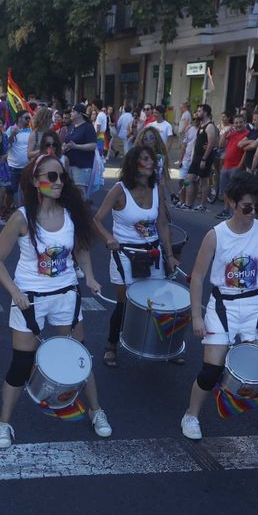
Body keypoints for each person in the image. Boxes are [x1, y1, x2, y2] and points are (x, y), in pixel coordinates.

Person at [0, 153, 111, 447]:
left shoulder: (72, 213)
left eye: (62, 177)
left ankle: (97, 411)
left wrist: (91, 277)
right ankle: (4, 423)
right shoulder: (21, 218)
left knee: (79, 355)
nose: (58, 182)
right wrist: (15, 292)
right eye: (52, 176)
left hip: (66, 296)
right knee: (21, 363)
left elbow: (80, 249)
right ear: (35, 181)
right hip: (29, 300)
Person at [181, 174, 258, 440]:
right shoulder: (215, 235)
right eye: (246, 206)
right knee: (211, 371)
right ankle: (191, 415)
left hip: (256, 303)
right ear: (230, 202)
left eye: (257, 207)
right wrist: (196, 315)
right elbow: (197, 275)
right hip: (223, 306)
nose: (252, 212)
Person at [94, 143, 180, 367]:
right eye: (145, 159)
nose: (151, 163)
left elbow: (161, 222)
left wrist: (169, 255)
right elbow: (96, 220)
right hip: (125, 254)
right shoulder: (119, 191)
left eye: (152, 159)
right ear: (134, 164)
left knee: (161, 302)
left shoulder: (156, 189)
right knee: (126, 304)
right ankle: (112, 345)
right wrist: (108, 239)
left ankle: (166, 347)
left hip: (153, 253)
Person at [64, 103, 100, 194]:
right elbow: (67, 141)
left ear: (79, 114)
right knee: (70, 190)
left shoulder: (88, 128)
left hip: (81, 165)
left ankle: (82, 208)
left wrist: (76, 146)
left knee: (79, 191)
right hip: (69, 163)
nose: (71, 113)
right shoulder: (72, 127)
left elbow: (93, 145)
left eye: (73, 111)